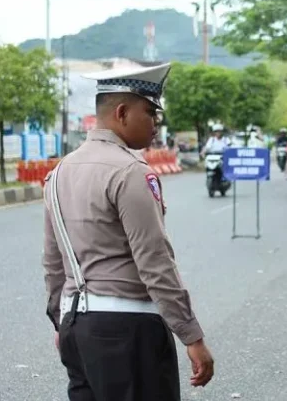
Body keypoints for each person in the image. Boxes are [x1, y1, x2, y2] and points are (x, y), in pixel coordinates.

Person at [42, 63, 215, 401]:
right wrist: (192, 336)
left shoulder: (58, 173)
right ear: (122, 113)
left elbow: (53, 262)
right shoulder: (130, 172)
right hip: (128, 330)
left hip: (76, 327)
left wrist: (61, 321)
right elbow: (155, 262)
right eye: (150, 113)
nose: (156, 123)